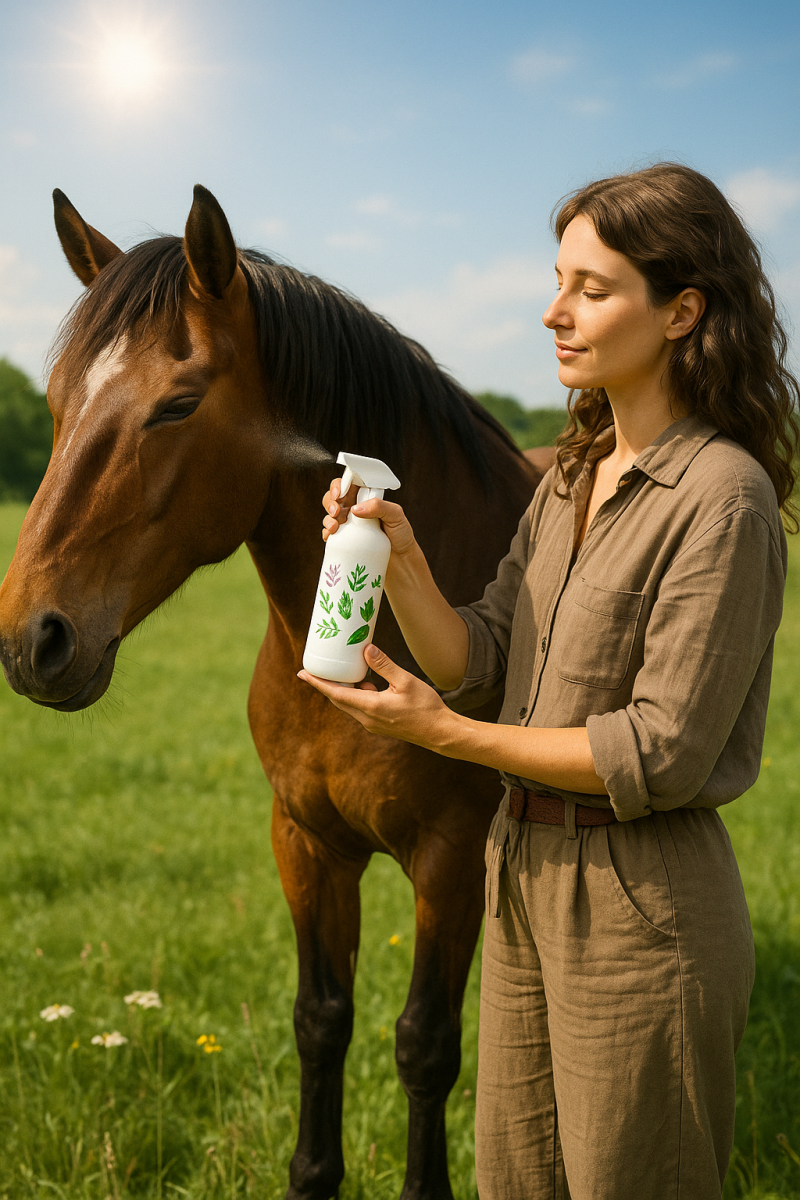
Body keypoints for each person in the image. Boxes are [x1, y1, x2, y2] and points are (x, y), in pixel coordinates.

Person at [298, 162, 799, 1200]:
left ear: (680, 312)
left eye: (590, 288)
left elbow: (657, 751)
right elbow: (478, 657)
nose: (550, 311)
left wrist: (441, 738)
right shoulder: (568, 472)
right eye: (555, 280)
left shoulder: (722, 500)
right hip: (518, 877)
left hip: (642, 908)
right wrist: (396, 553)